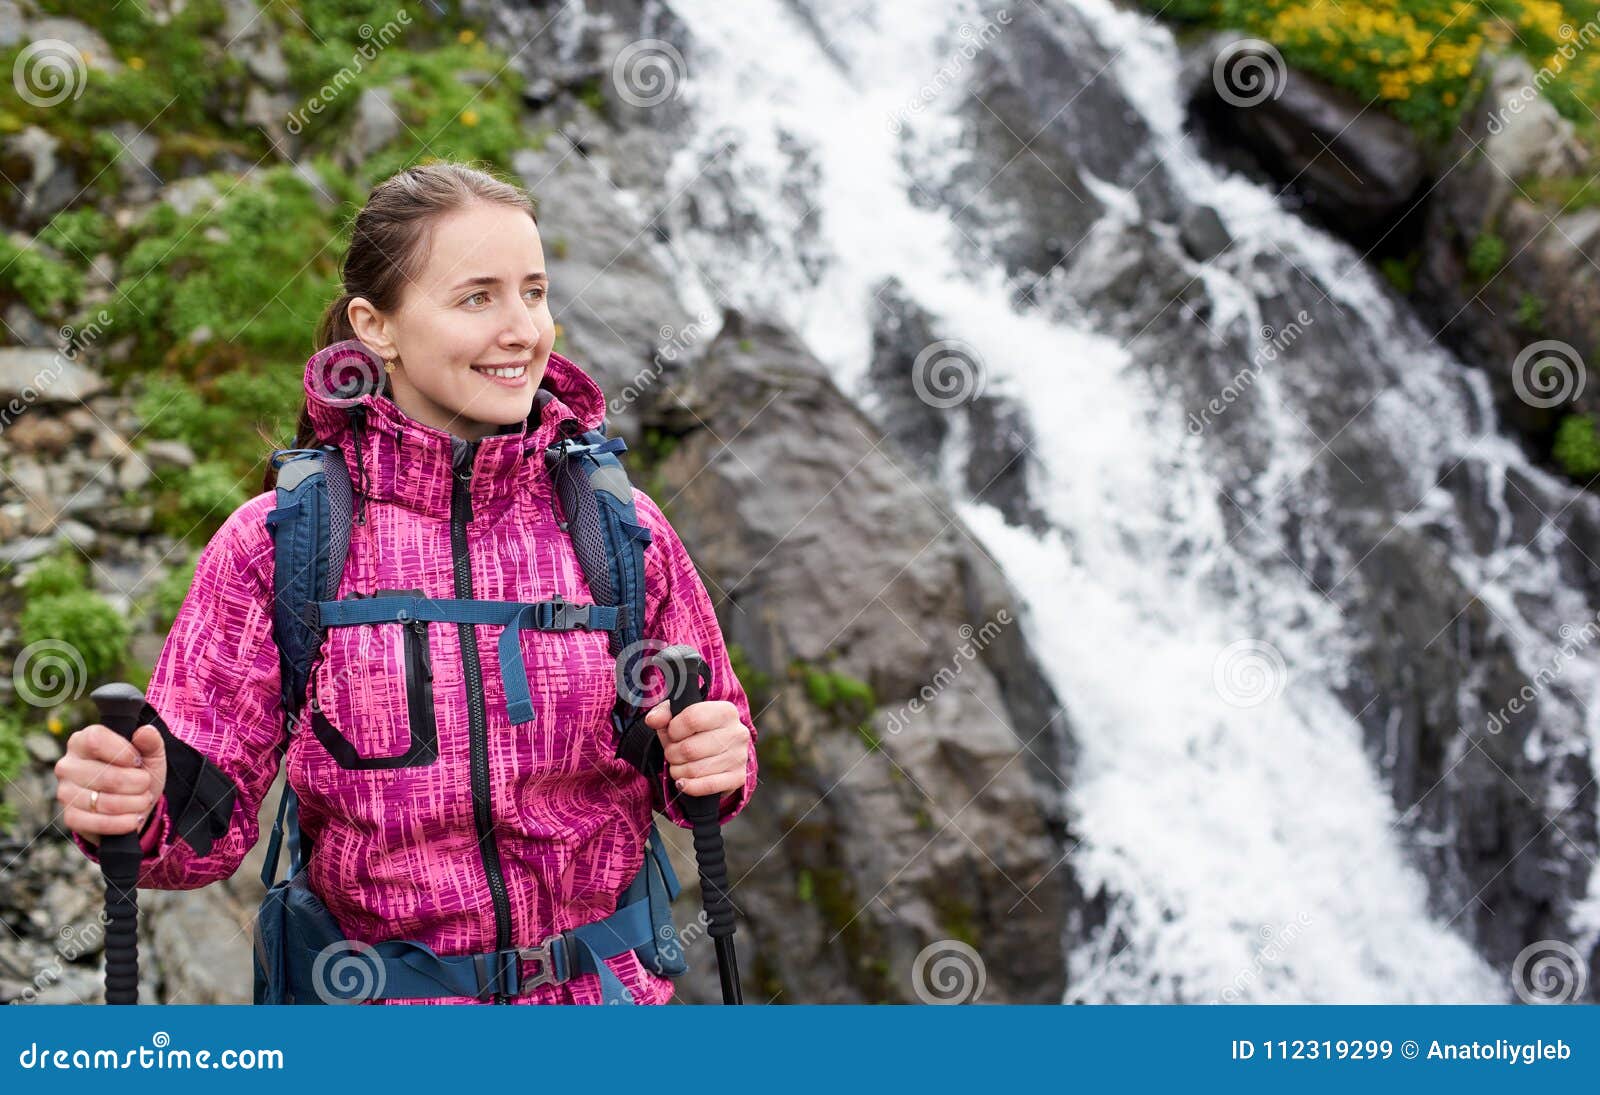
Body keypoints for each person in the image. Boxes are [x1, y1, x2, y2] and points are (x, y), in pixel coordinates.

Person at [53, 161, 759, 1005]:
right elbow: (197, 833)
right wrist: (133, 802)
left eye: (533, 293)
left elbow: (707, 761)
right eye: (477, 297)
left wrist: (714, 756)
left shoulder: (618, 527)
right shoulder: (284, 541)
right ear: (375, 325)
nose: (523, 329)